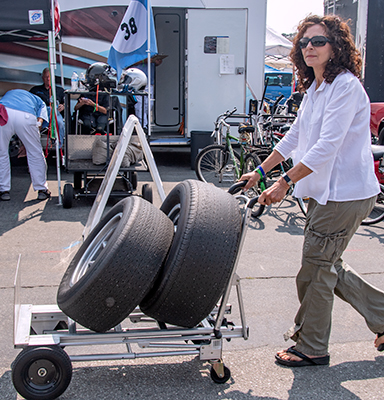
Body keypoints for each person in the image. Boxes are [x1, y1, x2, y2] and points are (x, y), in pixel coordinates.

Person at [240, 15, 382, 367]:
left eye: (318, 41)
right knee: (328, 265)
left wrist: (284, 182)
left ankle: (313, 345)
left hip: (344, 194)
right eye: (304, 42)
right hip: (324, 193)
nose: (309, 47)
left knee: (316, 268)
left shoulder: (346, 86)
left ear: (336, 46)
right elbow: (295, 137)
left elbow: (326, 146)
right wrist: (260, 171)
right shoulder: (316, 89)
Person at [0, 89, 51, 201]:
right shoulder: (39, 101)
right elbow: (40, 120)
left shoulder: (7, 94)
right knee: (35, 152)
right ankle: (42, 189)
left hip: (4, 112)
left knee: (2, 153)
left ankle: (3, 190)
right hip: (26, 115)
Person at [30, 67, 65, 147]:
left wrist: (63, 106)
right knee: (48, 109)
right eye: (46, 77)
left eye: (50, 77)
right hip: (41, 117)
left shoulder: (60, 90)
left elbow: (66, 104)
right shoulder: (35, 90)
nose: (48, 79)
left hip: (55, 115)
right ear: (43, 78)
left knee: (57, 118)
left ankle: (59, 146)